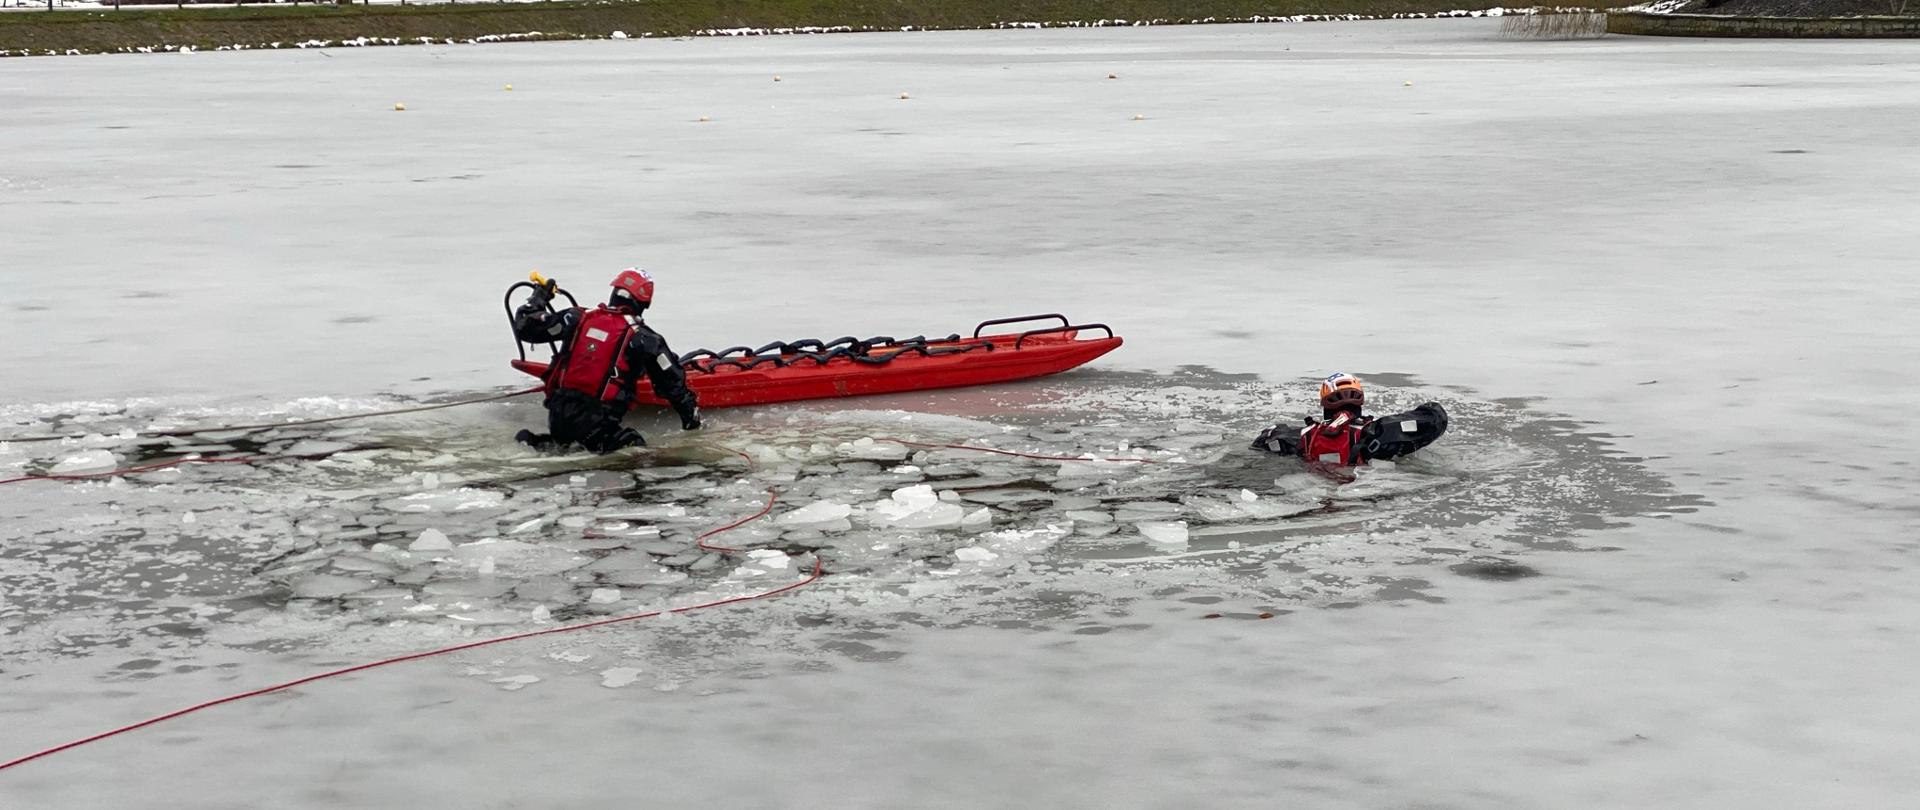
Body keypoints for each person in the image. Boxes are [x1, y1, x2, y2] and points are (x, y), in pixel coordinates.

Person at [511, 267, 701, 453]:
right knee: (634, 445)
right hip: (596, 429)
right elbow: (674, 388)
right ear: (644, 302)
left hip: (558, 420)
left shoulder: (577, 317)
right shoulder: (644, 339)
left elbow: (525, 326)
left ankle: (544, 445)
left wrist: (539, 297)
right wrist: (693, 426)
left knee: (568, 443)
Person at [1250, 372, 1447, 469]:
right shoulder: (1377, 434)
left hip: (1313, 484)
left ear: (1325, 405)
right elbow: (1435, 417)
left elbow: (1266, 438)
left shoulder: (1303, 438)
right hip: (1365, 486)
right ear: (1359, 400)